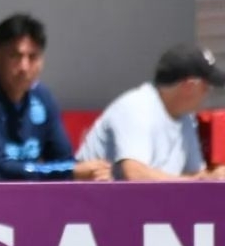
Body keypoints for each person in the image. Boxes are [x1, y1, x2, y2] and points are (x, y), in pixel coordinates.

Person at [0, 13, 111, 182]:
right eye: (15, 56)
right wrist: (70, 171)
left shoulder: (42, 97)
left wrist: (91, 173)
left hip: (13, 199)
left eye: (33, 57)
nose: (24, 67)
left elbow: (63, 161)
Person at [76, 43, 225, 180]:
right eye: (207, 86)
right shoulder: (136, 107)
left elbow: (193, 174)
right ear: (189, 86)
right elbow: (135, 175)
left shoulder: (186, 118)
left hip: (145, 199)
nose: (208, 92)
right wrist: (197, 181)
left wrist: (212, 177)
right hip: (93, 199)